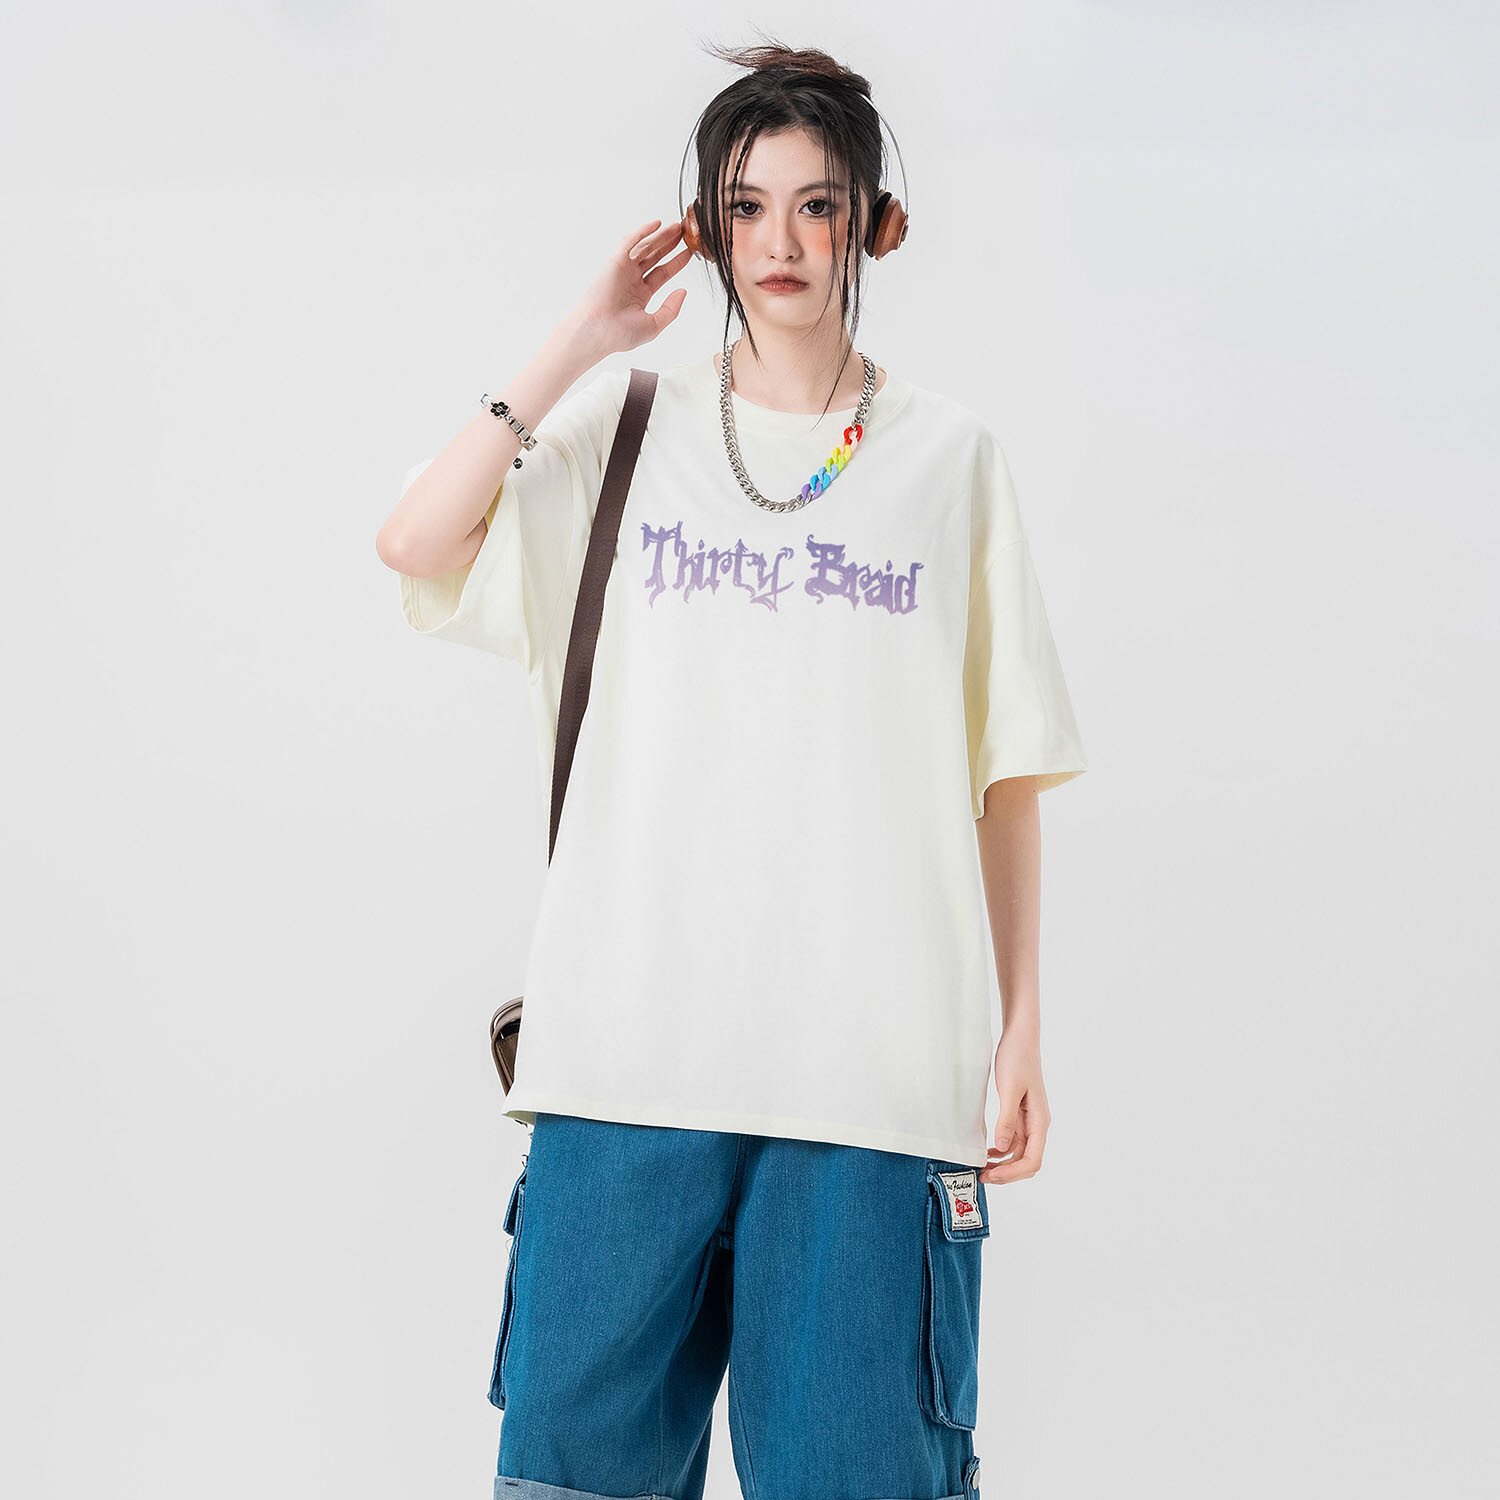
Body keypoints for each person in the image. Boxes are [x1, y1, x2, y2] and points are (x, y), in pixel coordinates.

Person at [376, 38, 1087, 1500]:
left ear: (870, 223)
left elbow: (1004, 769)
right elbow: (414, 542)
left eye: (817, 206)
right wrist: (579, 340)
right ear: (706, 225)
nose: (781, 242)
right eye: (747, 206)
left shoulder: (950, 462)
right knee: (570, 1480)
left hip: (873, 1081)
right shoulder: (622, 433)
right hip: (625, 1058)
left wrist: (1021, 1025)